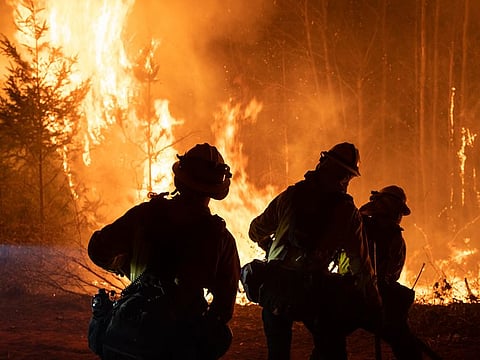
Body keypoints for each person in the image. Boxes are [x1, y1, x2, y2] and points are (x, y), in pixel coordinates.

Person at [87, 143, 241, 360]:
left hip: (122, 336)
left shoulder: (145, 214)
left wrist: (123, 266)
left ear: (179, 179)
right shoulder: (221, 238)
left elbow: (98, 249)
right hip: (173, 346)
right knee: (220, 335)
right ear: (216, 190)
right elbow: (223, 310)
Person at [248, 142, 380, 360]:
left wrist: (268, 245)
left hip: (276, 287)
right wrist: (375, 302)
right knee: (331, 349)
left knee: (277, 350)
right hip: (313, 291)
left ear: (322, 164)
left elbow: (255, 230)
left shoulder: (290, 195)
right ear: (346, 177)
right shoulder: (347, 212)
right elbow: (360, 264)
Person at [350, 185, 441, 359]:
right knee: (403, 340)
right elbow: (392, 273)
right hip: (369, 297)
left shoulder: (356, 224)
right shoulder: (391, 236)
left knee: (328, 338)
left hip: (348, 293)